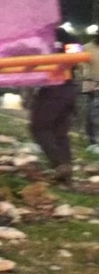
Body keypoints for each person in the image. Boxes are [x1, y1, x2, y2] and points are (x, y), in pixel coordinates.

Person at [29, 26, 81, 184]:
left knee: (39, 128)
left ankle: (60, 164)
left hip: (53, 89)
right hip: (69, 88)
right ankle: (66, 175)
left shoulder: (38, 37)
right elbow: (76, 59)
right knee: (59, 132)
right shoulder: (67, 37)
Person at [81, 31, 99, 146]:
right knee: (93, 113)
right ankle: (92, 141)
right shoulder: (86, 48)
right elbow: (81, 66)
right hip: (92, 84)